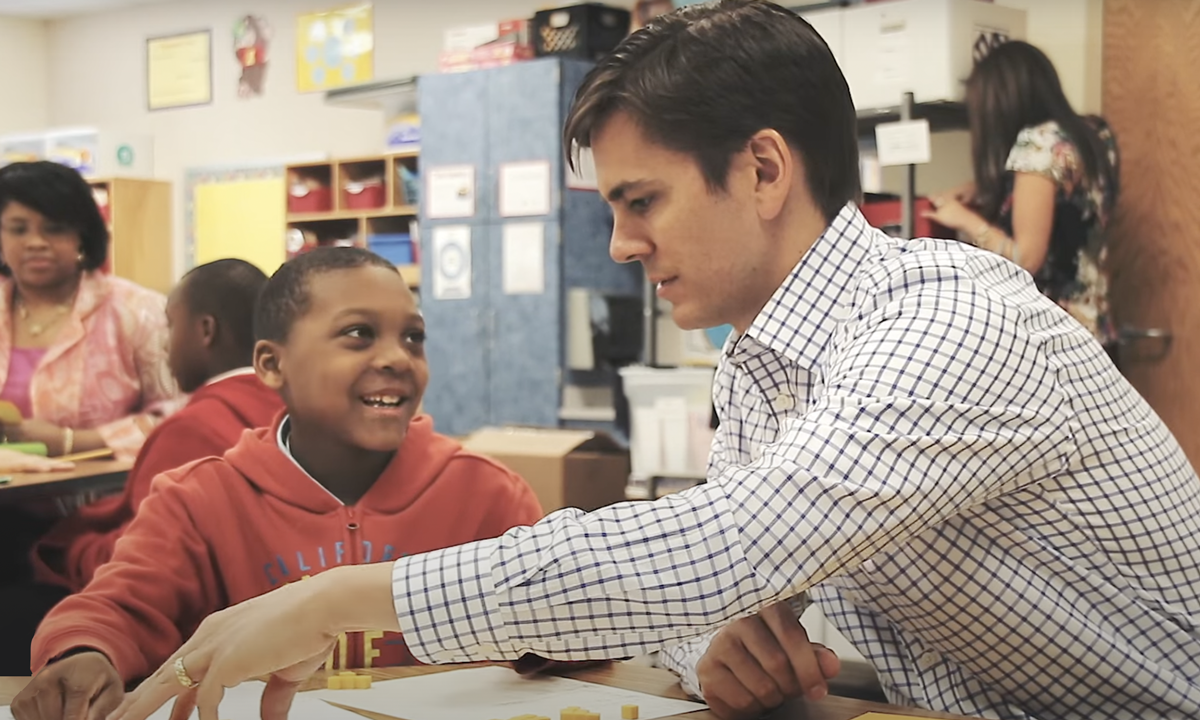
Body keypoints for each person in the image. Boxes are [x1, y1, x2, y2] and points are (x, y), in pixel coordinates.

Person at [110, 4, 1200, 720]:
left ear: (764, 168)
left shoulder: (952, 317)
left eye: (643, 202)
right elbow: (707, 594)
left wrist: (345, 597)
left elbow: (732, 541)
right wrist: (714, 649)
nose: (626, 245)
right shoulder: (759, 368)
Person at [12, 247, 544, 720]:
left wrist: (557, 640)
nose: (395, 357)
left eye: (414, 337)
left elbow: (564, 612)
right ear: (270, 363)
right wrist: (83, 652)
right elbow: (116, 605)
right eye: (358, 334)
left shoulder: (487, 493)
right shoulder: (198, 497)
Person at [0, 258, 281, 675]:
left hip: (192, 624)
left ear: (206, 330)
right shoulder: (290, 406)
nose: (165, 346)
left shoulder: (193, 427)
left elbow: (139, 555)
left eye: (171, 325)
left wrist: (71, 545)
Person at [924, 41, 1121, 358]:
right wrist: (989, 186)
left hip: (1054, 344)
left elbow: (1027, 259)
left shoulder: (1037, 143)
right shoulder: (1094, 134)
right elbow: (1071, 204)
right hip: (1098, 338)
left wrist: (965, 219)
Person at [0, 161, 179, 461]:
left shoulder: (138, 311)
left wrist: (74, 442)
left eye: (54, 229)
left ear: (82, 235)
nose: (36, 243)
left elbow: (181, 419)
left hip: (110, 501)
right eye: (19, 230)